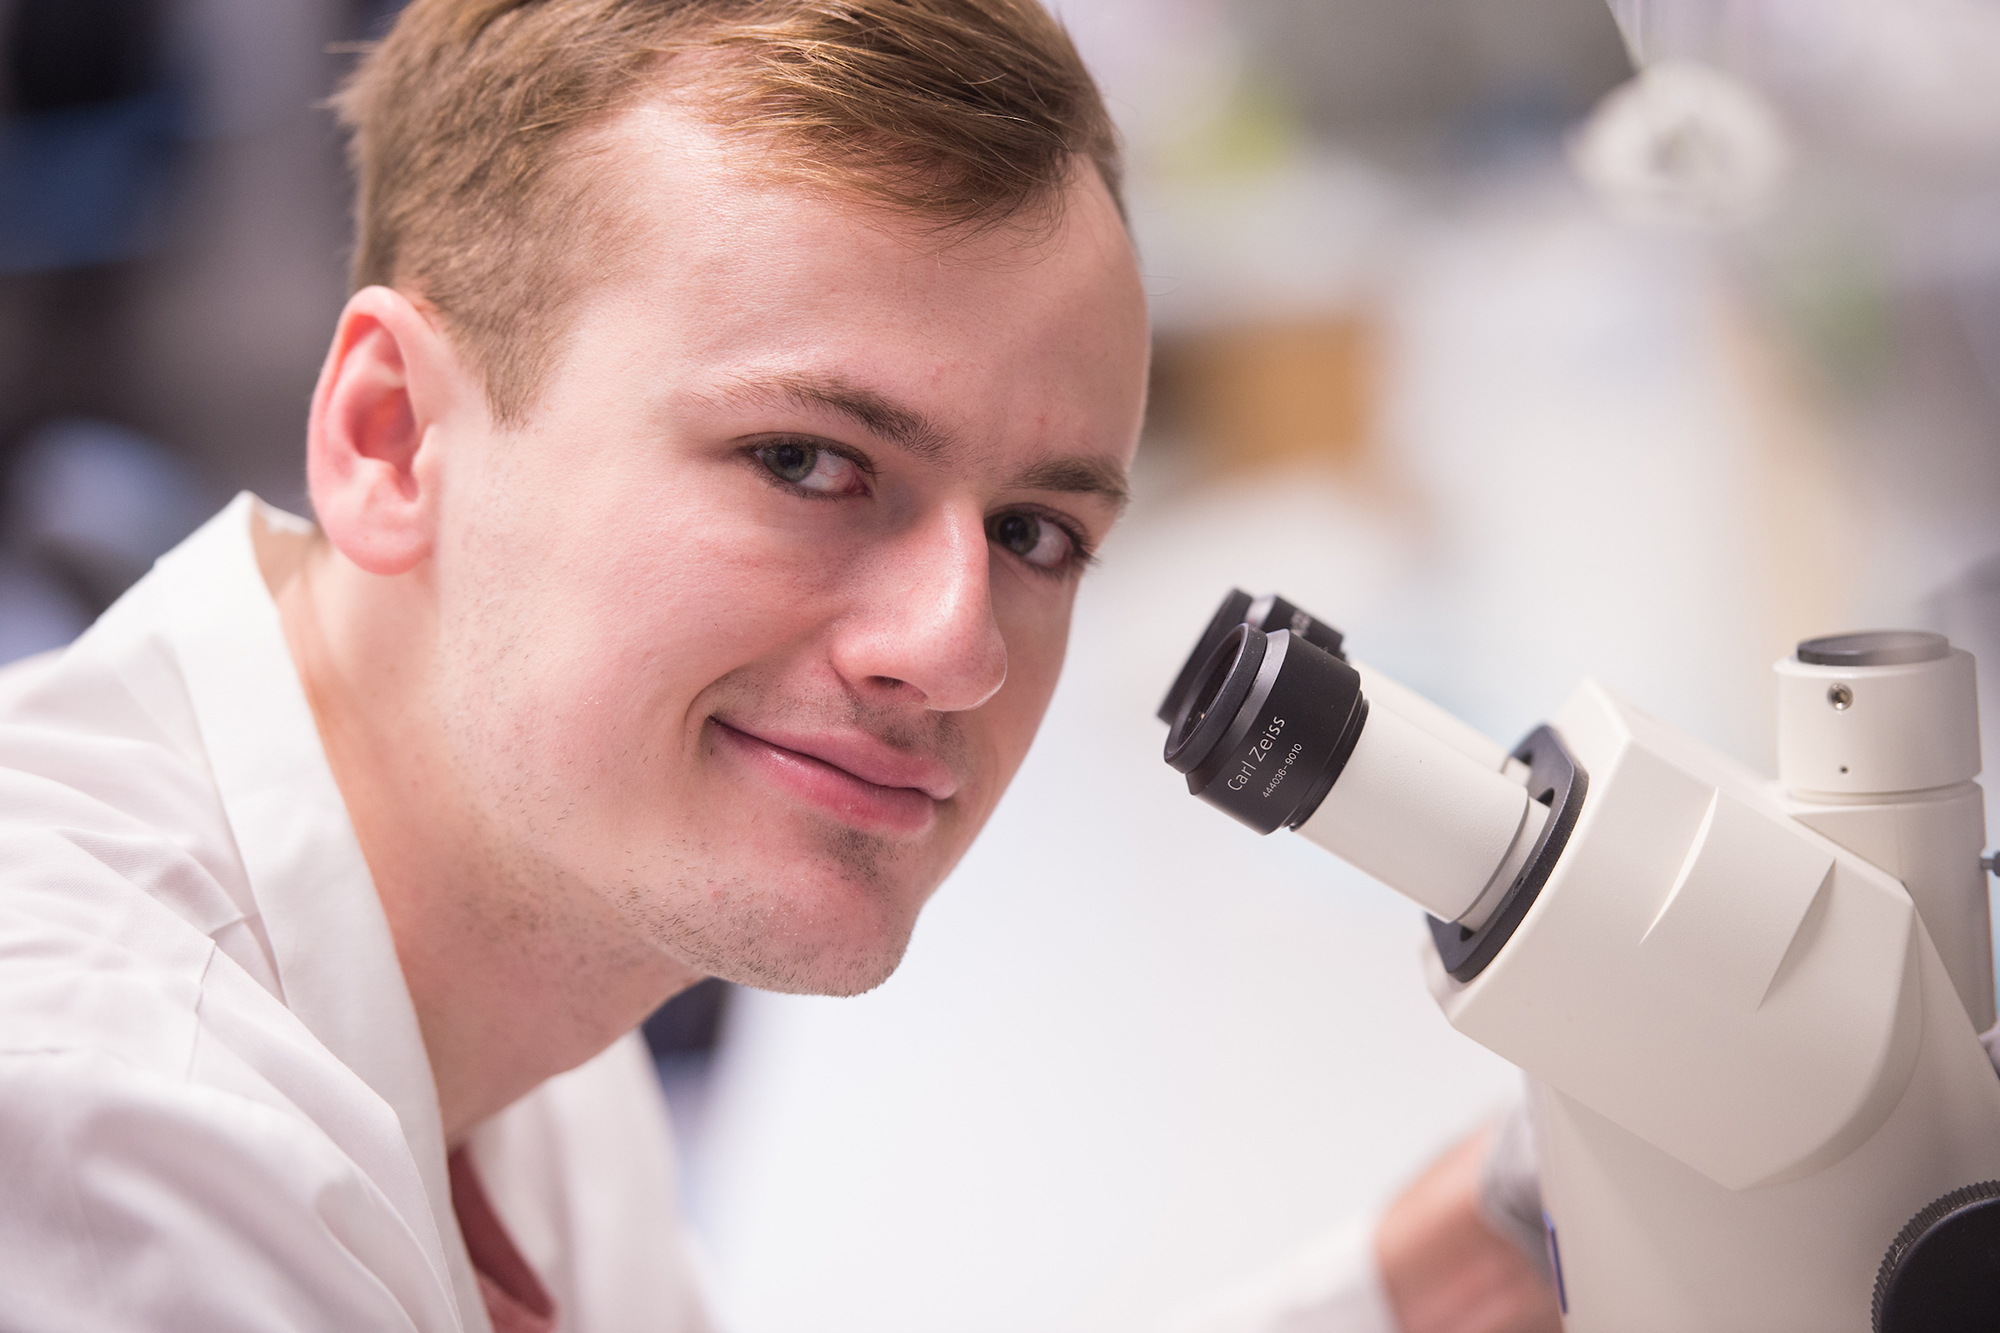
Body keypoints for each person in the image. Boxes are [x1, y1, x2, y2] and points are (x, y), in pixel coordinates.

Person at [0, 1, 1559, 1329]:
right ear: (394, 439)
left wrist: (1401, 1297)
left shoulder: (537, 897)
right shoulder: (105, 1140)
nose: (954, 651)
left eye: (1033, 532)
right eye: (807, 461)